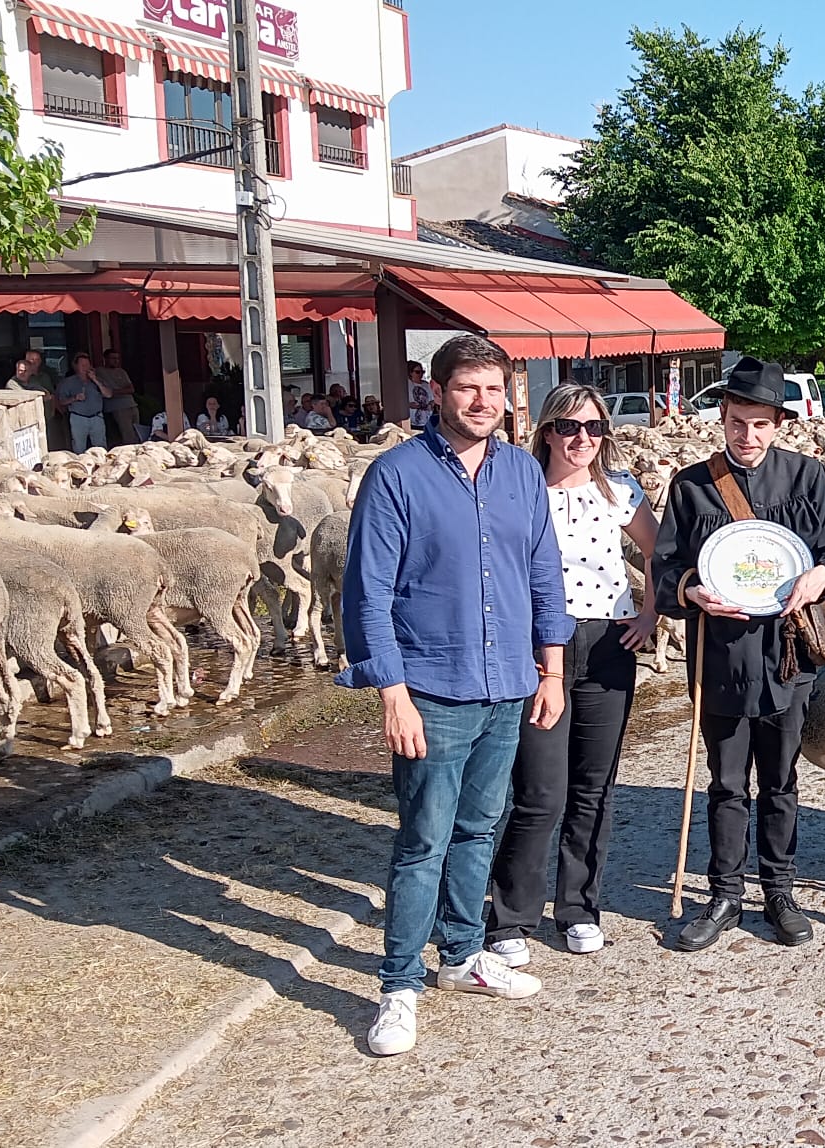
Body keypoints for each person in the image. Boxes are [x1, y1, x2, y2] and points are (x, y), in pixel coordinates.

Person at [337, 333, 573, 1058]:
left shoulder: (522, 476)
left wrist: (553, 668)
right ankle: (398, 984)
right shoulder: (397, 476)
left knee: (480, 828)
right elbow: (367, 590)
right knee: (423, 841)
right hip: (432, 688)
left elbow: (542, 569)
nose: (482, 402)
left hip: (507, 682)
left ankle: (464, 955)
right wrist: (391, 693)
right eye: (468, 388)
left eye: (495, 390)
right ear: (435, 392)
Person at [652, 357, 825, 953]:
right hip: (719, 656)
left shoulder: (808, 479)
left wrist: (820, 576)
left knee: (782, 779)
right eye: (738, 422)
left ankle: (779, 890)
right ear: (722, 416)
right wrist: (690, 590)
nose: (748, 436)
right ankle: (723, 893)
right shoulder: (692, 486)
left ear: (778, 423)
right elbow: (665, 567)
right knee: (724, 782)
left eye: (761, 424)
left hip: (788, 655)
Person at [485, 384, 660, 967]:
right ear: (546, 430)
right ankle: (510, 914)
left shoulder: (620, 490)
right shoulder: (521, 487)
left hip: (608, 641)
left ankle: (579, 907)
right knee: (539, 790)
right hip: (540, 646)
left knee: (595, 785)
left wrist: (650, 611)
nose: (581, 438)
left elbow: (661, 551)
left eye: (592, 427)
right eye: (568, 427)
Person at [55, 352, 112, 452]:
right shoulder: (68, 382)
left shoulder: (98, 380)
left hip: (96, 417)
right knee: (79, 447)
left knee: (101, 448)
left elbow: (109, 395)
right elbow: (61, 401)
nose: (85, 368)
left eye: (87, 365)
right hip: (78, 418)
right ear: (76, 366)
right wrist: (74, 398)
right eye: (82, 365)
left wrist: (95, 380)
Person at [97, 350, 139, 445]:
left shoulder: (121, 371)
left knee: (138, 431)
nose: (116, 361)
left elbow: (131, 389)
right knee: (128, 435)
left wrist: (114, 391)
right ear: (105, 359)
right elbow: (106, 392)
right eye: (113, 358)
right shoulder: (100, 371)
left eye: (117, 358)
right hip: (117, 407)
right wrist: (120, 391)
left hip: (131, 404)